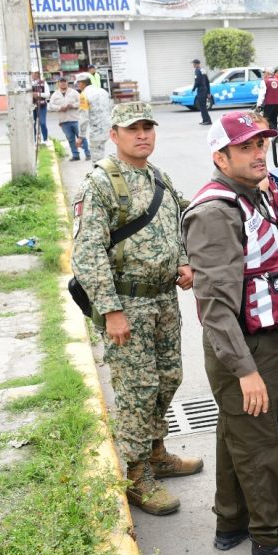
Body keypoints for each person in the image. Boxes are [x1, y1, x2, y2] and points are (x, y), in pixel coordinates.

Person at [182, 110, 278, 555]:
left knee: (236, 433)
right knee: (259, 439)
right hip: (238, 346)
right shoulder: (216, 212)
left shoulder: (249, 195)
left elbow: (263, 274)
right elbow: (215, 306)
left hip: (258, 336)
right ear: (220, 157)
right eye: (245, 147)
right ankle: (270, 538)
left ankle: (231, 523)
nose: (257, 154)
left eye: (260, 145)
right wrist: (246, 369)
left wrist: (277, 330)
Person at [70, 101, 201, 517]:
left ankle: (157, 449)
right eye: (133, 129)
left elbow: (178, 220)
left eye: (148, 127)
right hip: (127, 303)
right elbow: (88, 252)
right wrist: (110, 311)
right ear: (115, 134)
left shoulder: (156, 175)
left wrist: (183, 260)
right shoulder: (100, 184)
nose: (143, 134)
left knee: (168, 378)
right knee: (135, 391)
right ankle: (137, 474)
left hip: (163, 299)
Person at [48, 78, 90, 161]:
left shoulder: (73, 92)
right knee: (70, 139)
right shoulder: (55, 94)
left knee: (81, 137)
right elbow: (50, 106)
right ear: (58, 84)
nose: (63, 84)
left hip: (75, 119)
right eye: (61, 82)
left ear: (67, 83)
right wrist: (59, 108)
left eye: (65, 82)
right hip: (64, 121)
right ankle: (75, 155)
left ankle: (87, 154)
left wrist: (73, 105)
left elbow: (82, 102)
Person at [76, 73, 113, 162]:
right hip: (110, 127)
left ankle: (99, 174)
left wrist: (81, 136)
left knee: (97, 159)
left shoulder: (84, 95)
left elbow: (83, 117)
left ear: (82, 83)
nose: (78, 86)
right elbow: (110, 109)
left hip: (97, 130)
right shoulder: (103, 91)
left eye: (78, 84)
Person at [262, 67, 278, 133]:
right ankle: (275, 132)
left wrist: (259, 104)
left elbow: (262, 94)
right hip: (276, 103)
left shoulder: (265, 81)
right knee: (274, 119)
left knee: (266, 119)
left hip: (268, 103)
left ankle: (275, 130)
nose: (263, 74)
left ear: (267, 73)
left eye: (264, 73)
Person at [31, 71, 50, 143]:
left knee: (42, 123)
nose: (34, 75)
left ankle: (45, 139)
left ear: (38, 75)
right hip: (32, 107)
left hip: (42, 106)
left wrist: (38, 94)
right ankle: (34, 141)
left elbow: (48, 94)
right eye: (33, 73)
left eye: (36, 73)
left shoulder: (43, 83)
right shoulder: (28, 83)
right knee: (32, 124)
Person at [193, 59, 212, 125]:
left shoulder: (197, 70)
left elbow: (197, 81)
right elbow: (207, 82)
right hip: (205, 90)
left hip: (201, 91)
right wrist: (208, 92)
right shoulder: (203, 70)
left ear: (196, 64)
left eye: (194, 63)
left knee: (202, 106)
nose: (193, 65)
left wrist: (193, 88)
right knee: (202, 106)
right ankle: (205, 120)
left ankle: (207, 120)